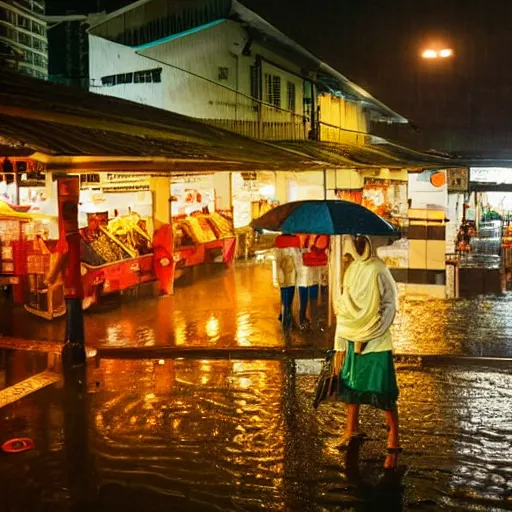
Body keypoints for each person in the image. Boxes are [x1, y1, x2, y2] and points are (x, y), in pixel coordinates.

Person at [333, 235, 401, 470]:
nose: (359, 245)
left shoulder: (379, 269)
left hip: (376, 340)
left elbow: (390, 302)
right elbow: (344, 301)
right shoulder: (351, 268)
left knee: (381, 388)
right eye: (356, 241)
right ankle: (351, 428)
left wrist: (374, 328)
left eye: (362, 240)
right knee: (351, 385)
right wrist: (344, 335)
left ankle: (393, 438)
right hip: (353, 336)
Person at [273, 234, 300, 330]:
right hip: (290, 274)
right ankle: (287, 318)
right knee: (289, 298)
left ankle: (284, 316)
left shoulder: (278, 240)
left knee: (284, 296)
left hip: (282, 275)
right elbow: (297, 259)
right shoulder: (294, 241)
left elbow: (276, 259)